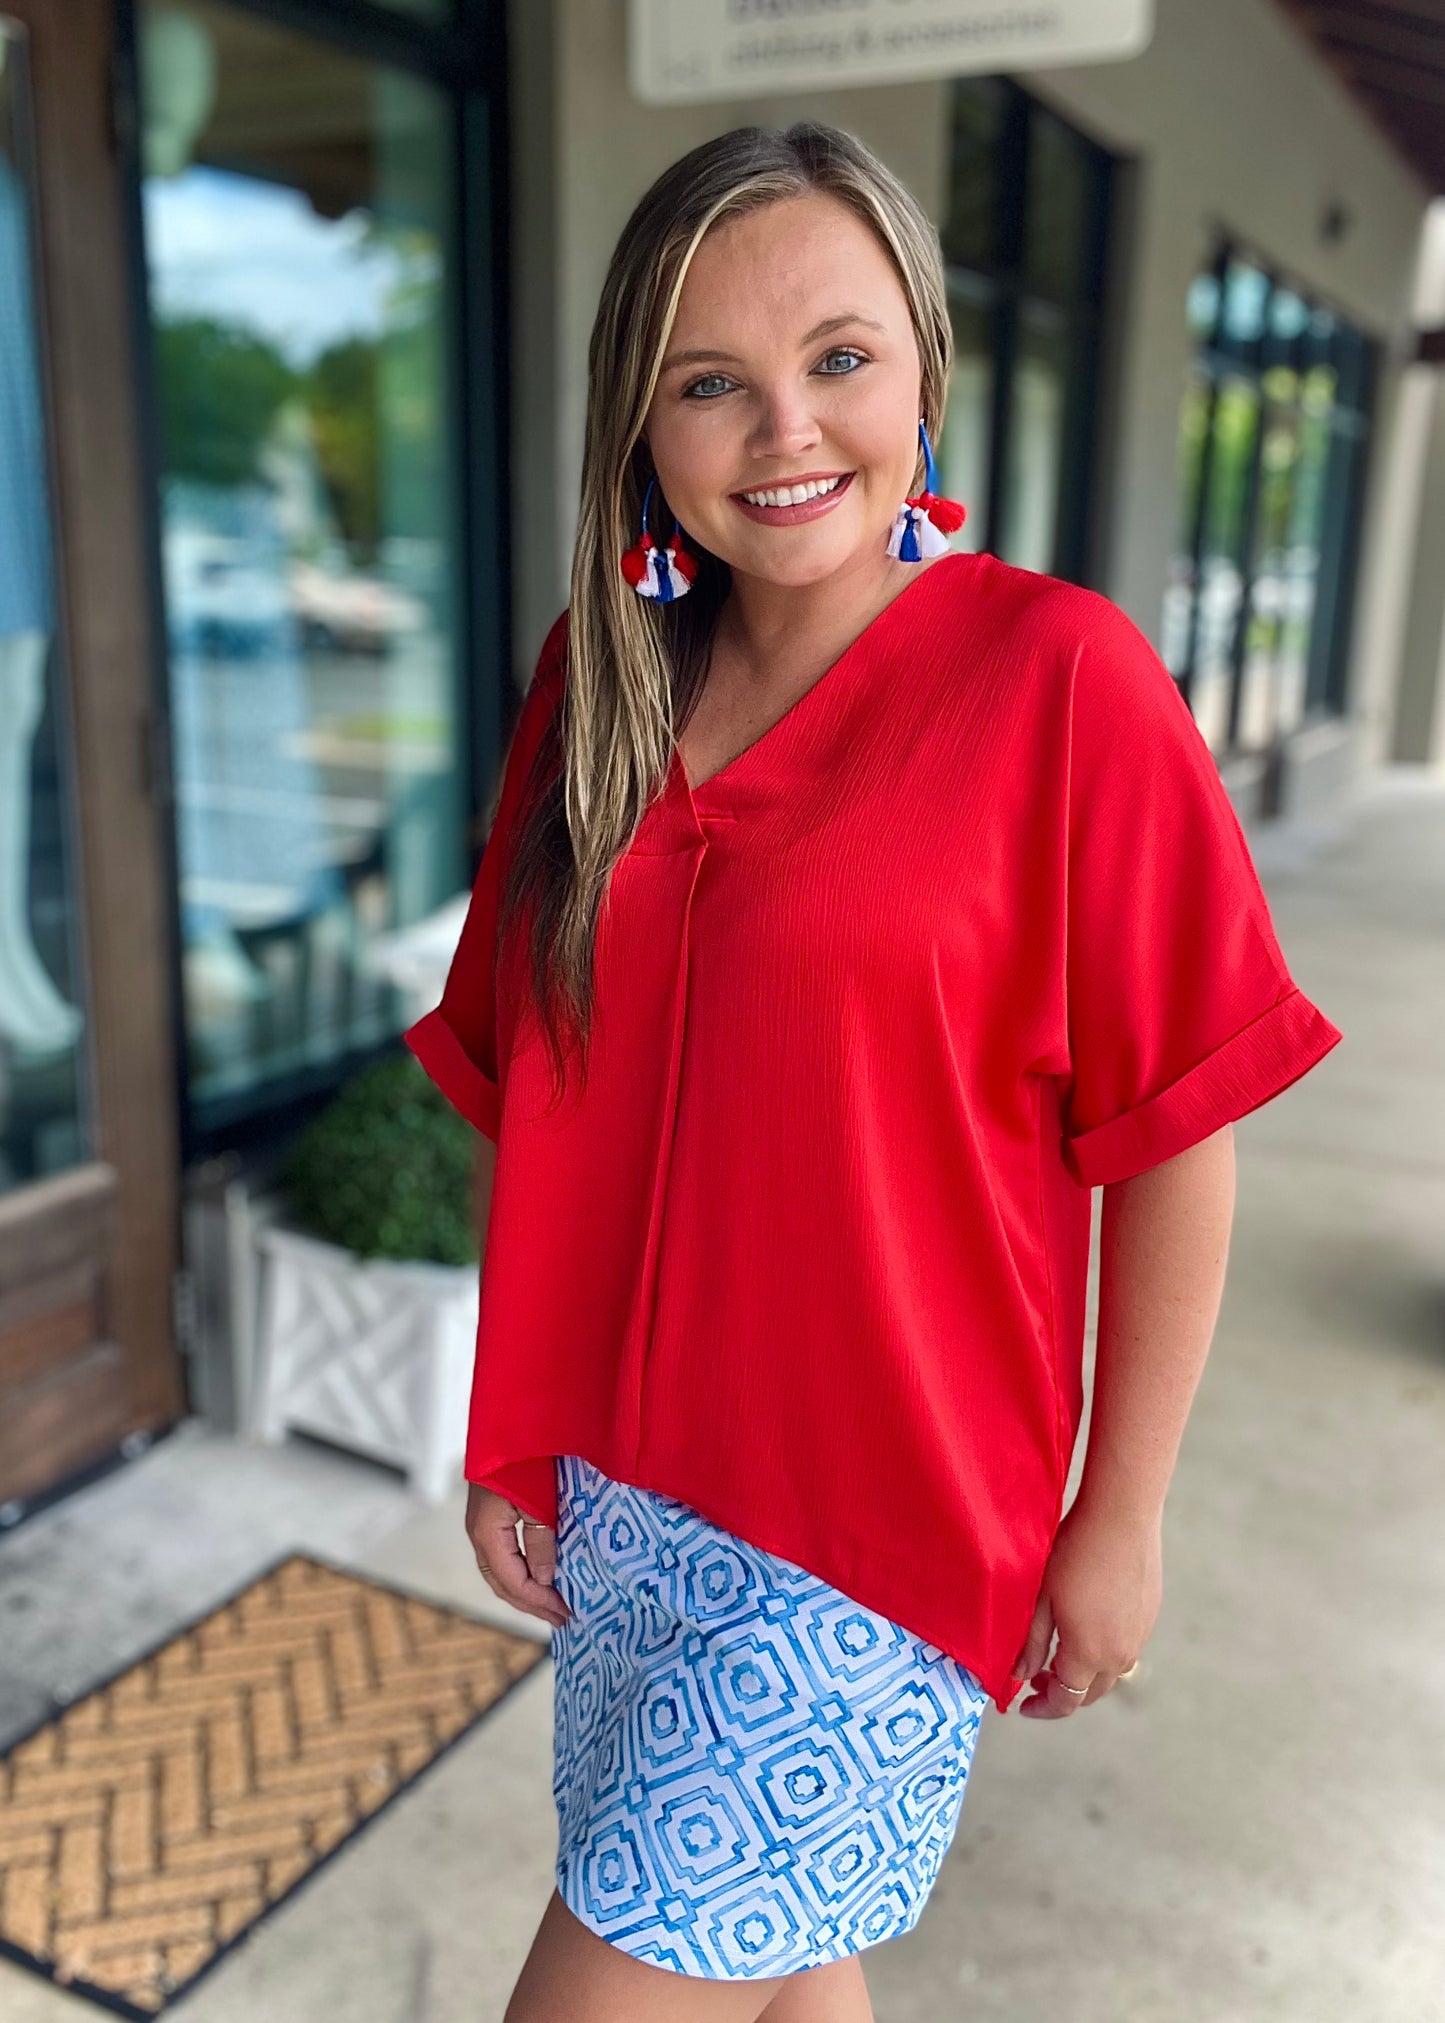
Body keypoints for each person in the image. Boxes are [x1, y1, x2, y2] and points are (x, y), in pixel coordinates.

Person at [403, 123, 1343, 2023]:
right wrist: (529, 1428)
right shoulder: (609, 682)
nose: (783, 434)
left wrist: (1119, 1511)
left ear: (922, 361)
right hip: (642, 1492)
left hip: (870, 1521)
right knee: (787, 1970)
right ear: (641, 424)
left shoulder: (1059, 682)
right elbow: (563, 1081)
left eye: (837, 359)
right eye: (710, 384)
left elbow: (1176, 1130)